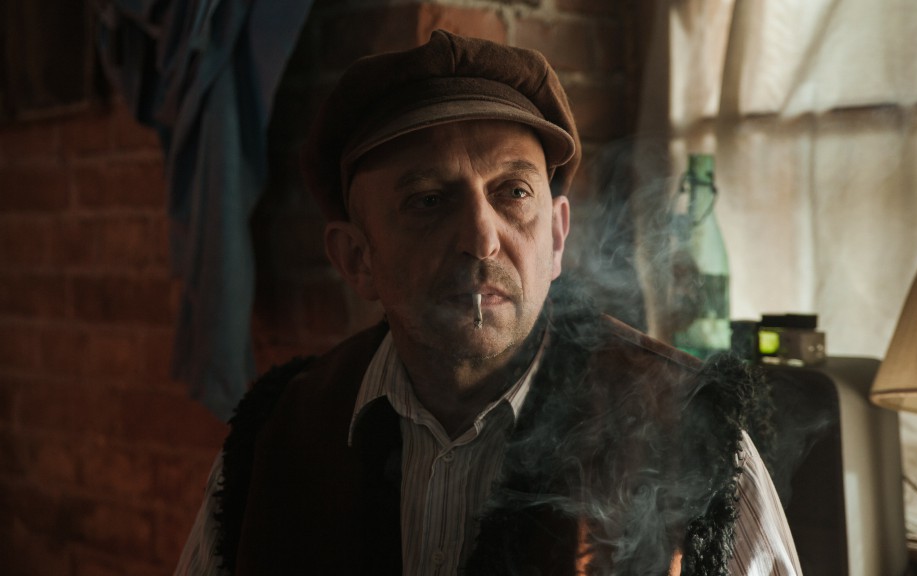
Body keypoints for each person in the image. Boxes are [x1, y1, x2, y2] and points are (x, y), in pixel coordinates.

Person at [175, 29, 802, 576]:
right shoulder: (277, 440)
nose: (481, 239)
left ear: (556, 237)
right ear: (357, 258)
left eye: (513, 192)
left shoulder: (685, 428)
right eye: (427, 200)